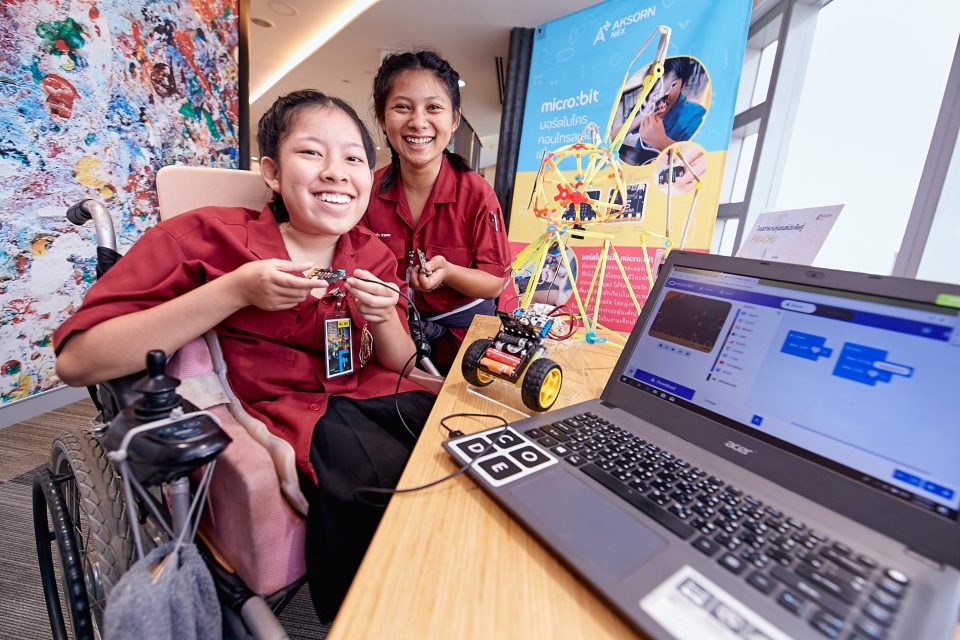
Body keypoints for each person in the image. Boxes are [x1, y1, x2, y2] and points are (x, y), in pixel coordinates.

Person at [53, 89, 438, 623]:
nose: (336, 171)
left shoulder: (371, 252)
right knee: (385, 484)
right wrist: (232, 292)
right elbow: (77, 361)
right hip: (293, 414)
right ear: (272, 173)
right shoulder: (207, 238)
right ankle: (380, 617)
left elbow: (400, 365)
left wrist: (382, 315)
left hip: (374, 396)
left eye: (353, 158)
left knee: (464, 449)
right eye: (312, 153)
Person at [361, 50, 511, 373]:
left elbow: (495, 282)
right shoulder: (366, 193)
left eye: (433, 108)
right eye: (402, 107)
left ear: (454, 119)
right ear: (382, 116)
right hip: (392, 339)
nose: (418, 121)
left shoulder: (477, 195)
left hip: (467, 342)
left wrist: (450, 273)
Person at [620, 57, 707, 165]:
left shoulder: (695, 115)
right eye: (657, 85)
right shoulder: (648, 107)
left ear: (682, 85)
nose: (664, 93)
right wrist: (645, 113)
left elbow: (698, 159)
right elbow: (614, 136)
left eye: (673, 85)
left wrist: (661, 141)